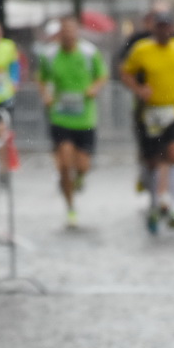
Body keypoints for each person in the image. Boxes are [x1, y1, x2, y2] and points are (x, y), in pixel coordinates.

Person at [120, 9, 174, 233]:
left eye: (168, 27)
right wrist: (138, 89)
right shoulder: (141, 49)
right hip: (149, 112)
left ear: (173, 28)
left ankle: (164, 201)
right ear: (154, 28)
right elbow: (125, 73)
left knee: (172, 154)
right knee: (154, 160)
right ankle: (157, 199)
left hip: (173, 109)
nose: (164, 31)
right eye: (160, 27)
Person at [37, 14, 105, 228]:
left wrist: (94, 88)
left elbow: (102, 74)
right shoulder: (49, 55)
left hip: (85, 117)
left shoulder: (89, 52)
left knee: (83, 165)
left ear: (77, 32)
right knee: (65, 164)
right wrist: (45, 94)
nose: (68, 34)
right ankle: (71, 208)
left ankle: (78, 180)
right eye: (64, 30)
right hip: (60, 116)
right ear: (60, 33)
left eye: (72, 30)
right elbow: (41, 78)